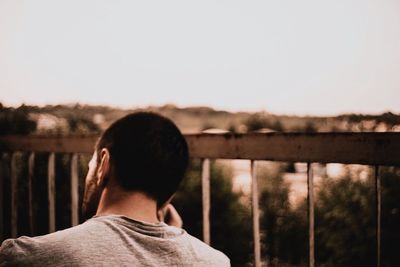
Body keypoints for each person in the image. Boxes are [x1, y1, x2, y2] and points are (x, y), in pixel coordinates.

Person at [0, 112, 230, 266]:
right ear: (169, 195)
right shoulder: (214, 261)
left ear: (104, 165)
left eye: (91, 166)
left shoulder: (27, 256)